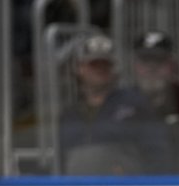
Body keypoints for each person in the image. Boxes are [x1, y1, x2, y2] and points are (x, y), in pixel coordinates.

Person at [57, 34, 172, 176]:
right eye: (94, 64)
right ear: (80, 68)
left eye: (105, 65)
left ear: (114, 69)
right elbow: (62, 160)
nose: (100, 70)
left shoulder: (135, 105)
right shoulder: (69, 115)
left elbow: (158, 154)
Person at [132, 30, 179, 121]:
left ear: (172, 65)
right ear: (136, 66)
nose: (152, 67)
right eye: (145, 60)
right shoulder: (123, 102)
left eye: (159, 60)